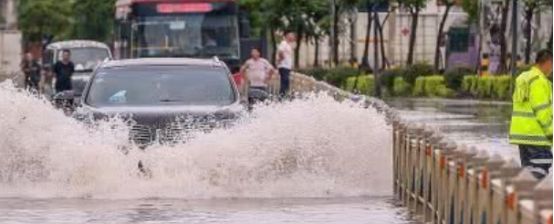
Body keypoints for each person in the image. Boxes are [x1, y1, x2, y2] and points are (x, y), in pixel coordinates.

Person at [509, 49, 553, 179]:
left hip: (522, 135)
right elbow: (542, 111)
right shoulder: (539, 81)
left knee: (527, 172)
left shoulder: (523, 78)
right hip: (536, 135)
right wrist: (551, 133)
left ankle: (523, 197)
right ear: (548, 62)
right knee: (540, 171)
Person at [277, 31, 295, 97]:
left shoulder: (288, 45)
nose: (293, 37)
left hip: (287, 67)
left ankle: (284, 96)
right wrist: (281, 59)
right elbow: (280, 51)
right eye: (291, 35)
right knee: (284, 82)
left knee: (286, 82)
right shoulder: (283, 43)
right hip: (283, 66)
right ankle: (281, 97)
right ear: (287, 36)